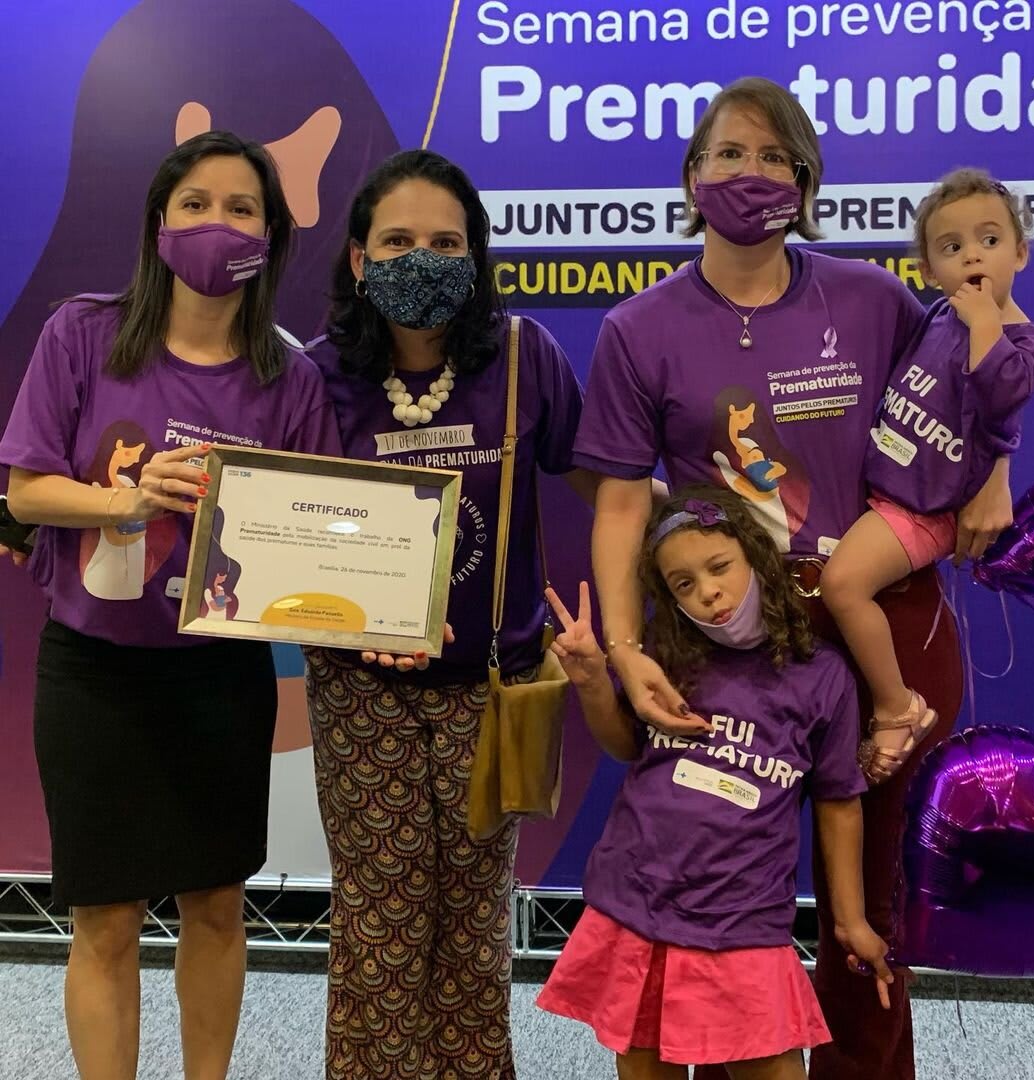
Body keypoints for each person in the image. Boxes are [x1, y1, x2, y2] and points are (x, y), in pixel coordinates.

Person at [572, 77, 1012, 1080]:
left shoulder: (874, 298)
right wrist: (627, 649)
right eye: (730, 153)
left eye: (777, 157)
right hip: (731, 649)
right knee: (713, 899)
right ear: (692, 176)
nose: (752, 172)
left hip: (883, 632)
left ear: (807, 184)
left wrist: (994, 475)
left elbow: (981, 375)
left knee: (873, 913)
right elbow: (622, 507)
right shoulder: (638, 329)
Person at [0, 131, 340, 1080]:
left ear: (269, 237)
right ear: (159, 224)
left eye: (241, 208)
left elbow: (316, 536)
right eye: (195, 204)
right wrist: (126, 501)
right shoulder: (83, 333)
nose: (215, 223)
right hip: (94, 670)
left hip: (219, 677)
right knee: (105, 918)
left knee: (217, 905)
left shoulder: (290, 377)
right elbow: (25, 491)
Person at [304, 149, 595, 1080]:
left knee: (473, 927)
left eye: (445, 242)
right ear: (360, 259)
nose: (421, 258)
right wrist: (348, 624)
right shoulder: (314, 377)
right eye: (397, 242)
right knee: (380, 925)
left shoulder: (524, 358)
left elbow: (610, 484)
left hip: (490, 690)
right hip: (361, 693)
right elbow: (288, 539)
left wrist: (718, 518)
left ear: (474, 258)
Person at [537, 487, 892, 1080]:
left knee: (772, 1067)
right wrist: (595, 681)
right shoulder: (667, 653)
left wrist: (851, 920)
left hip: (743, 918)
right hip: (637, 901)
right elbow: (626, 745)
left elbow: (839, 803)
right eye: (684, 583)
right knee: (644, 1062)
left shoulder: (823, 676)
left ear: (757, 559)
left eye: (720, 567)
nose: (707, 591)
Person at [821, 169, 1034, 783]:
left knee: (843, 585)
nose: (973, 255)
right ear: (927, 268)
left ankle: (897, 707)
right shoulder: (940, 313)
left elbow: (1001, 399)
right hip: (882, 490)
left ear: (1020, 253)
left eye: (990, 240)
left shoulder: (1022, 341)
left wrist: (985, 324)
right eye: (952, 247)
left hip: (922, 511)